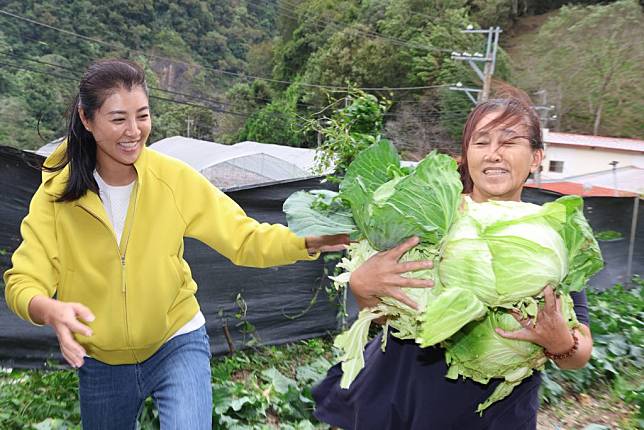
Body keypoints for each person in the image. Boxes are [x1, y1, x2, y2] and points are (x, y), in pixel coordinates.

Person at [3, 59, 348, 430]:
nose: (134, 131)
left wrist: (308, 239)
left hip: (176, 341)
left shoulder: (174, 180)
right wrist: (47, 310)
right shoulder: (57, 194)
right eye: (118, 119)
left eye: (143, 116)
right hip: (101, 361)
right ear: (87, 120)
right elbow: (23, 280)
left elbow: (244, 239)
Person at [312, 90, 593, 429]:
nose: (493, 155)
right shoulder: (430, 214)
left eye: (508, 142)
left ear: (536, 157)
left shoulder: (547, 234)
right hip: (401, 398)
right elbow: (389, 318)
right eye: (481, 142)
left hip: (492, 414)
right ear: (466, 154)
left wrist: (560, 343)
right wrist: (362, 288)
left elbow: (579, 353)